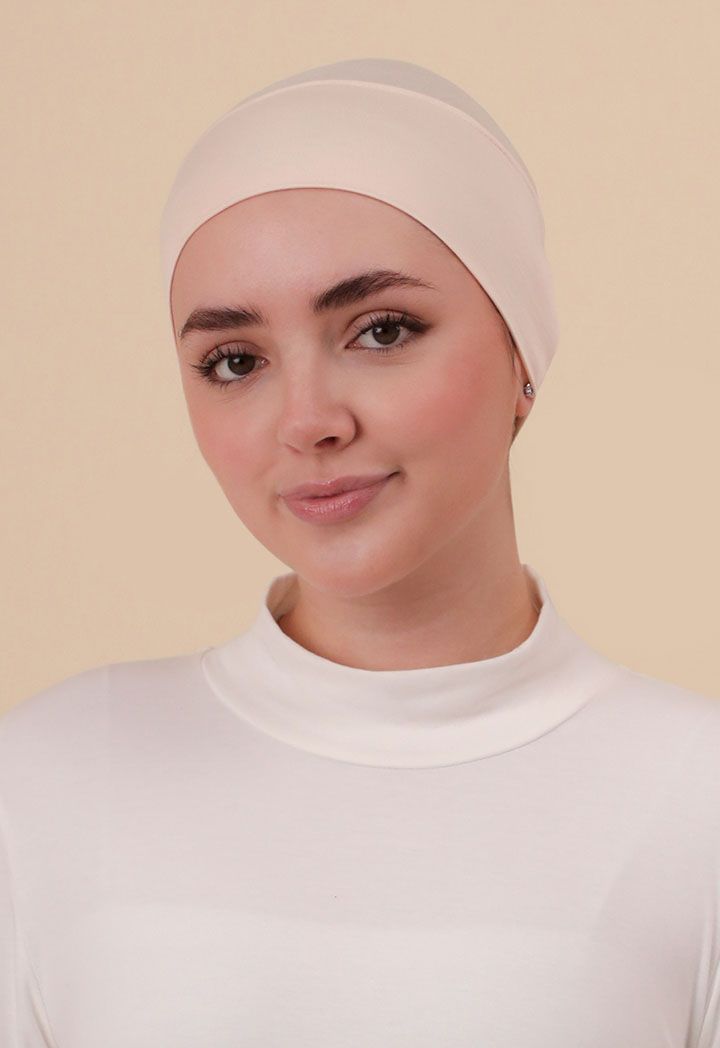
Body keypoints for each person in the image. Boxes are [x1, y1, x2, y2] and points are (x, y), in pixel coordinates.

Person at [1, 58, 718, 1048]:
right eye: (235, 361)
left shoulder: (695, 797)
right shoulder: (50, 776)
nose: (308, 421)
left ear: (522, 352)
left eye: (382, 332)